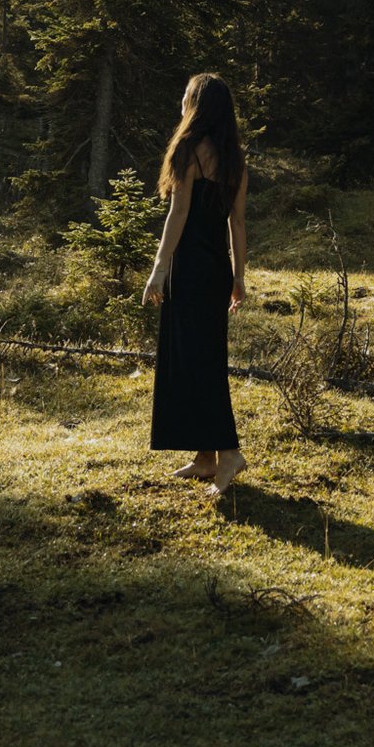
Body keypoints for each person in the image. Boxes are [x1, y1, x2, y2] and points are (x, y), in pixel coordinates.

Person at [143, 72, 249, 496]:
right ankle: (205, 459)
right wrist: (239, 277)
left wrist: (158, 268)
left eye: (186, 95)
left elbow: (178, 215)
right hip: (216, 271)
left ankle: (229, 453)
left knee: (195, 362)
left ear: (197, 105)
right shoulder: (235, 160)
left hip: (188, 270)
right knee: (203, 359)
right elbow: (237, 224)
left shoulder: (187, 150)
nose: (181, 101)